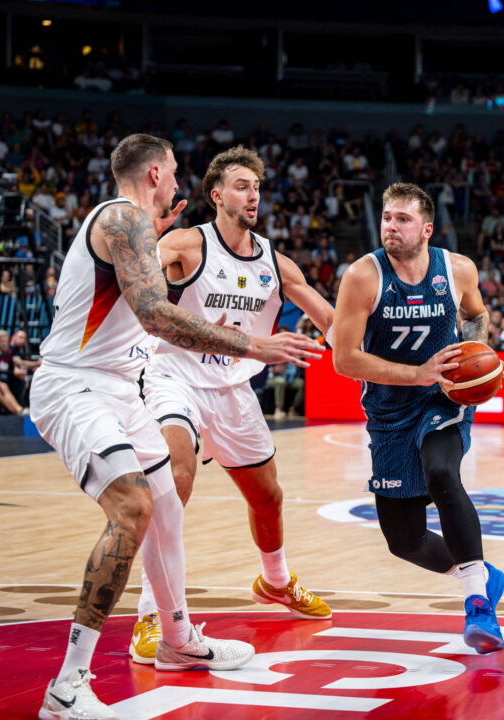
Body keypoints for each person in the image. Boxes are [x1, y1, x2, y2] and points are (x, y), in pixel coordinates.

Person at [29, 133, 320, 720]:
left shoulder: (140, 229)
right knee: (134, 508)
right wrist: (253, 345)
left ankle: (178, 640)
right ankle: (67, 686)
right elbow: (158, 315)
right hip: (78, 386)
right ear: (157, 173)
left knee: (167, 505)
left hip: (121, 385)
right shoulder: (123, 219)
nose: (180, 185)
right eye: (177, 173)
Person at [128, 146, 335, 664]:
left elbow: (332, 321)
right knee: (174, 480)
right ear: (216, 195)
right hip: (173, 374)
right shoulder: (187, 243)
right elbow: (128, 278)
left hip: (233, 388)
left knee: (268, 497)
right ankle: (151, 616)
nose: (253, 196)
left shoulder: (275, 262)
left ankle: (275, 581)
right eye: (242, 186)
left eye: (257, 188)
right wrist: (146, 238)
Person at [331, 182, 504, 654]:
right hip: (389, 408)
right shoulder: (364, 276)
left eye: (403, 219)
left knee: (442, 472)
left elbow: (476, 314)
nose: (391, 225)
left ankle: (477, 604)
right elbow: (344, 360)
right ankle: (483, 574)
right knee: (403, 539)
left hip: (443, 399)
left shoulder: (457, 269)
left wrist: (477, 354)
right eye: (388, 217)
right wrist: (416, 373)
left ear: (426, 228)